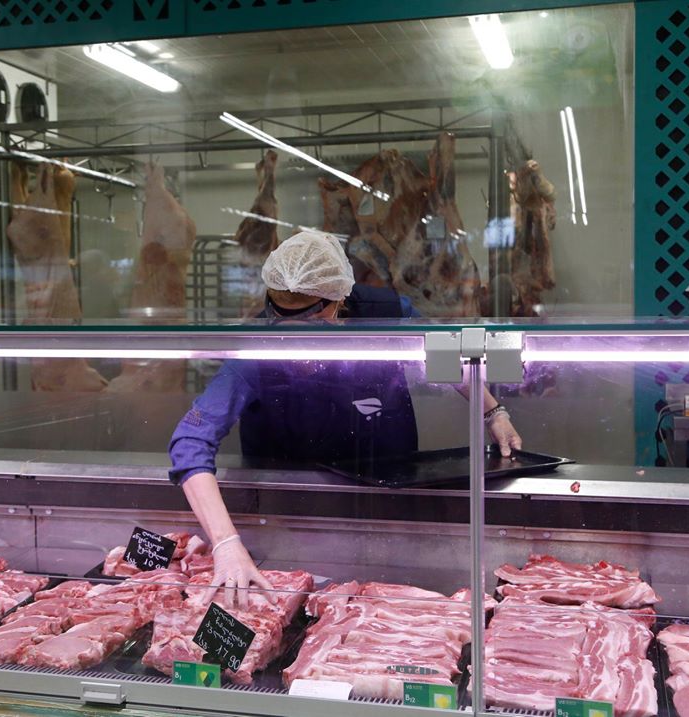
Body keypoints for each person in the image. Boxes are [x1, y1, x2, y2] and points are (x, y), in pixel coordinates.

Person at [168, 230, 521, 605]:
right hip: (292, 516)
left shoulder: (386, 313)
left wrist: (492, 411)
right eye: (279, 313)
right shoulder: (255, 350)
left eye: (310, 320)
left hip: (390, 498)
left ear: (336, 301)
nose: (293, 333)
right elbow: (191, 441)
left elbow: (446, 357)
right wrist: (225, 543)